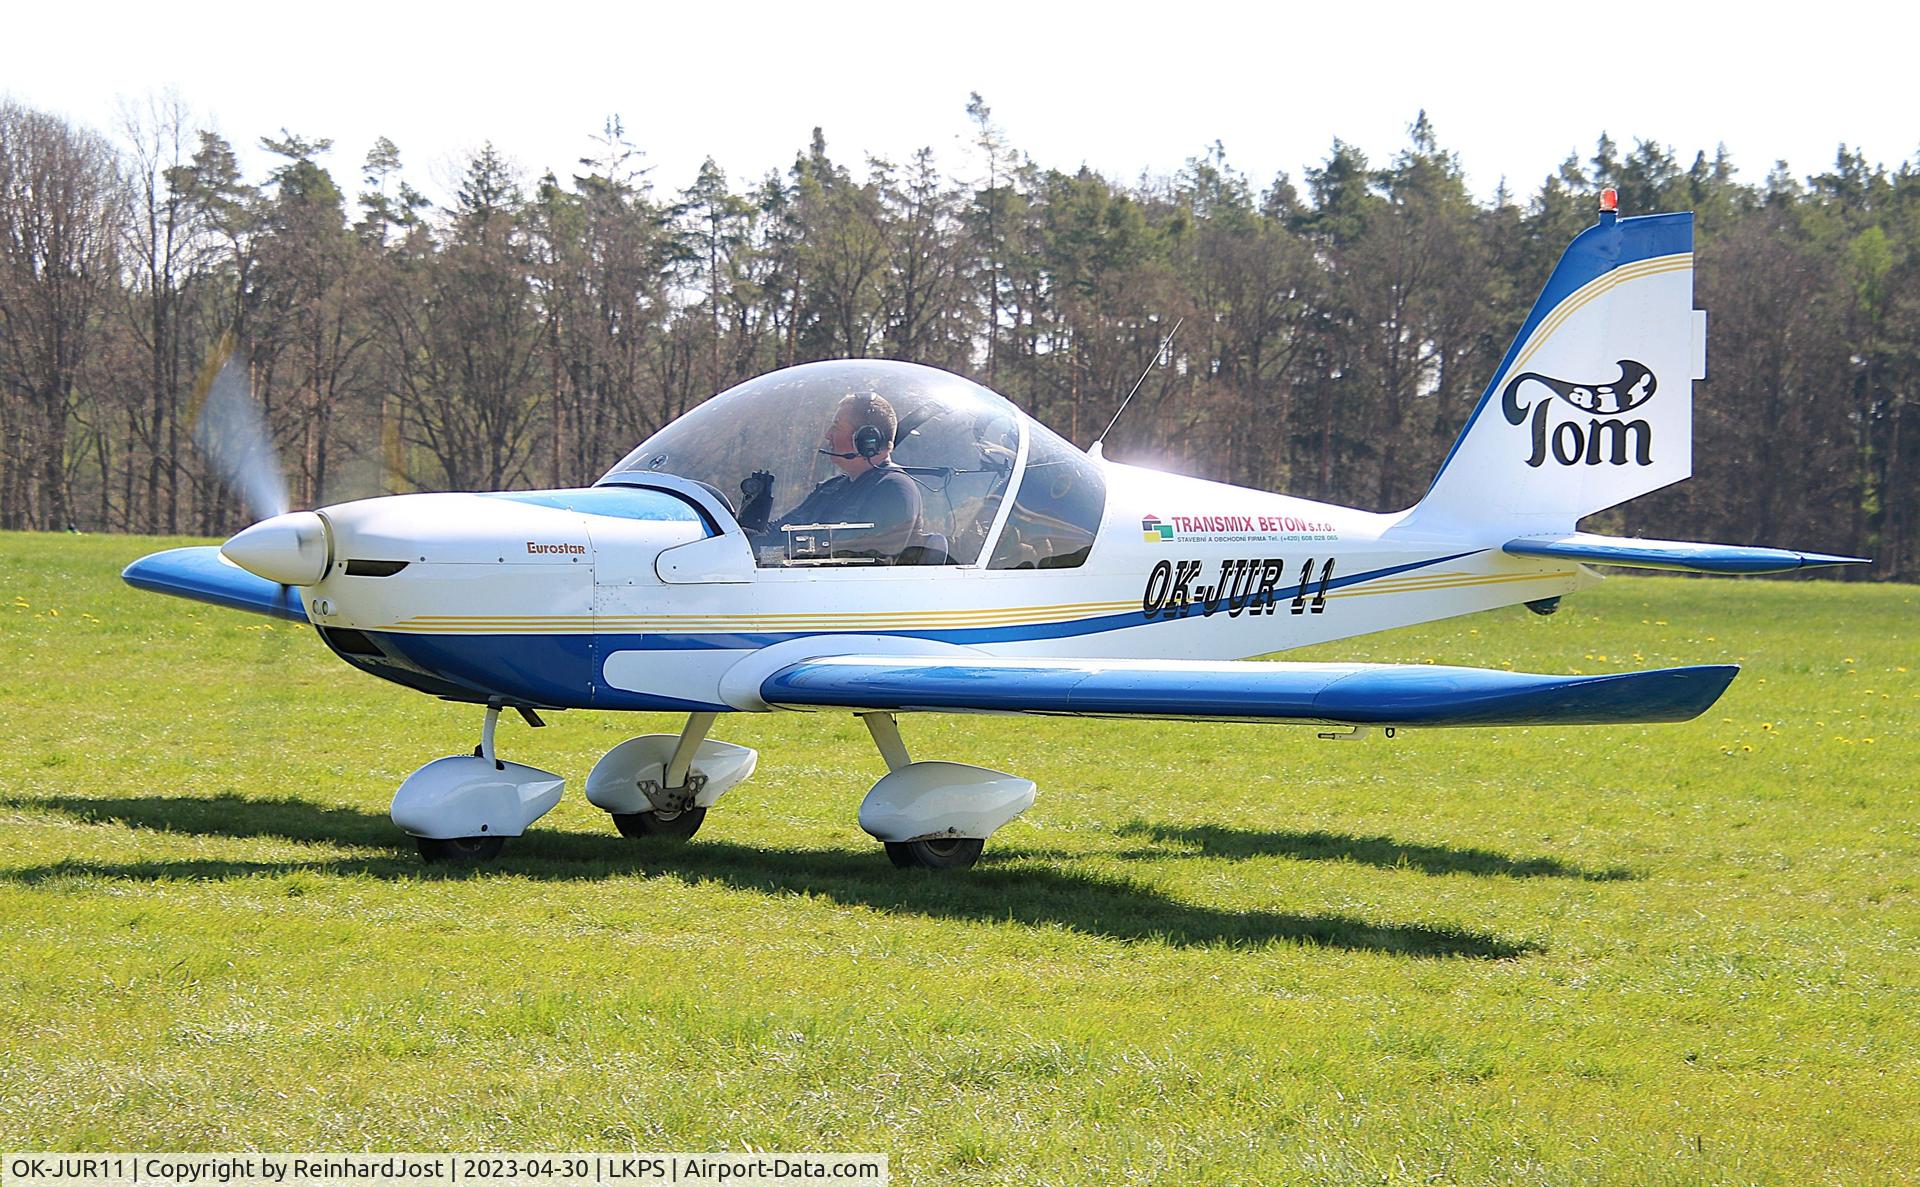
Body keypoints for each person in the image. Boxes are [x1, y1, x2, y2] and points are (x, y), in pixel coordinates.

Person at [743, 391, 924, 562]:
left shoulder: (892, 489)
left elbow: (835, 556)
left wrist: (761, 555)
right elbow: (781, 532)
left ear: (866, 439)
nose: (828, 435)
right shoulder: (833, 488)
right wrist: (745, 532)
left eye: (836, 426)